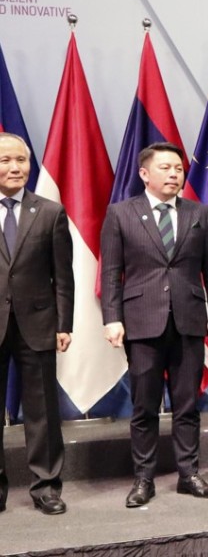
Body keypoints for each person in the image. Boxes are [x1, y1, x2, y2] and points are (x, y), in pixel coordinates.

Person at [101, 142, 208, 507]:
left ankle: (189, 474)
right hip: (142, 322)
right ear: (144, 173)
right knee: (145, 406)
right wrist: (112, 318)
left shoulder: (199, 213)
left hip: (188, 319)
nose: (174, 174)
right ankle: (144, 479)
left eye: (178, 169)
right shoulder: (121, 214)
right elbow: (111, 273)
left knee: (187, 405)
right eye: (166, 168)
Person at [0, 133, 73, 515]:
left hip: (39, 323)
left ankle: (46, 485)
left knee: (42, 409)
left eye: (21, 160)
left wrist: (65, 323)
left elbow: (63, 275)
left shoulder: (49, 212)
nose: (15, 168)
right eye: (5, 161)